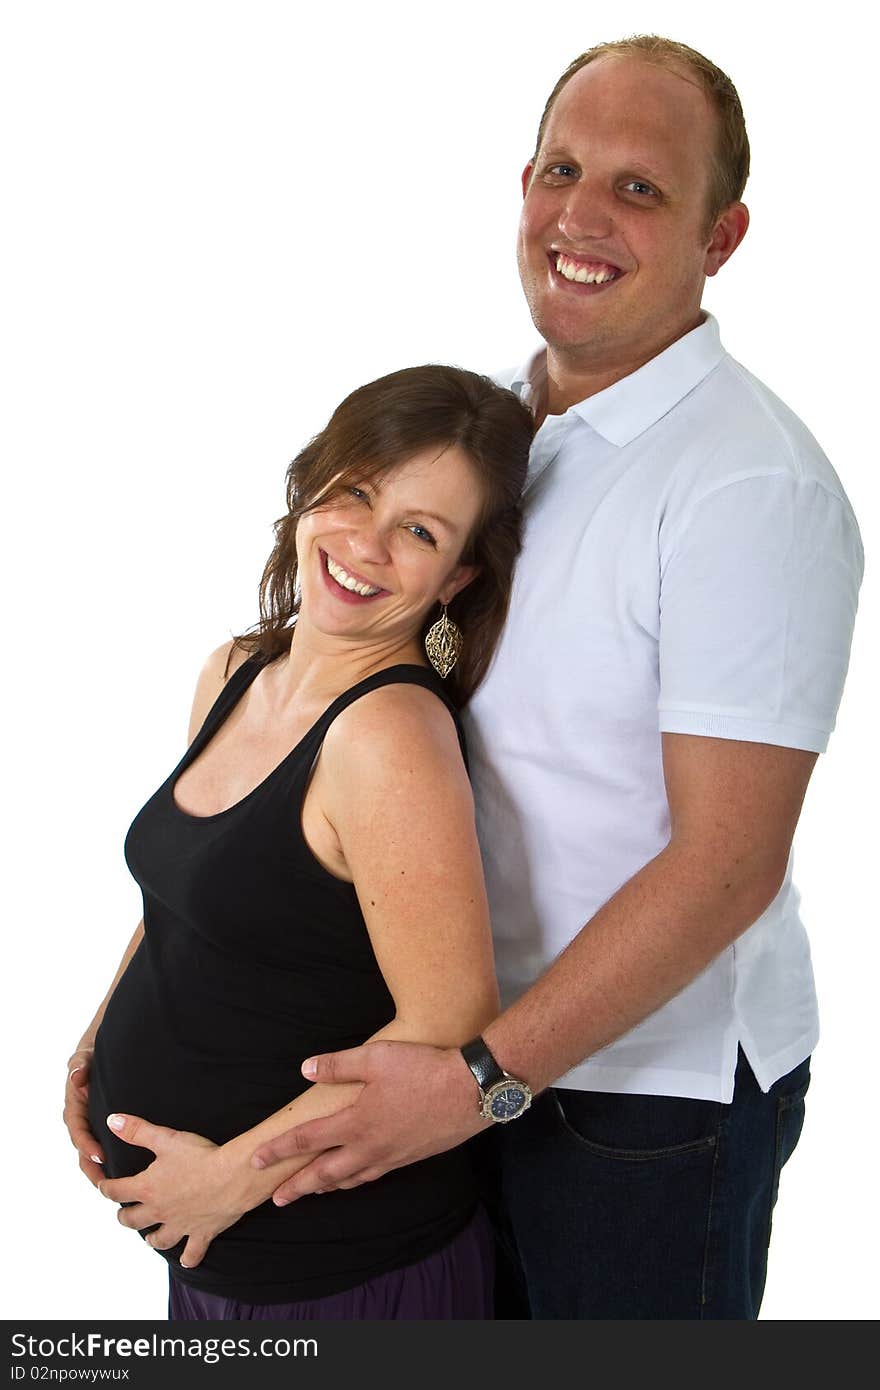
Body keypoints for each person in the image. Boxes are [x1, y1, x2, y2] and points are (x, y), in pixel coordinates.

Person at [247, 37, 865, 1320]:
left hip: (640, 1102)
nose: (580, 217)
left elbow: (726, 866)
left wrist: (476, 1078)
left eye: (639, 189)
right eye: (561, 170)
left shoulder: (750, 488)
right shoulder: (488, 422)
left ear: (723, 233)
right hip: (453, 1046)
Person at [61, 364, 534, 1320]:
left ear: (459, 578)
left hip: (341, 1274)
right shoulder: (236, 672)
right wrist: (97, 1037)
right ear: (312, 485)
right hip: (214, 1261)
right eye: (356, 490)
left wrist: (231, 1178)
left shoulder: (390, 735)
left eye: (420, 532)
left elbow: (446, 1021)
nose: (364, 543)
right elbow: (182, 904)